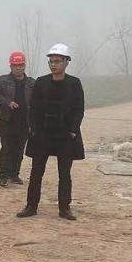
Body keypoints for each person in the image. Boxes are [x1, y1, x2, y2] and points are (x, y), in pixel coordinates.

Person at [17, 44, 84, 221]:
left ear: (66, 62)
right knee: (36, 172)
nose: (53, 65)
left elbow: (79, 109)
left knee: (64, 173)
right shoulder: (41, 82)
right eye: (51, 61)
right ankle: (31, 206)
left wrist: (73, 130)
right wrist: (33, 129)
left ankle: (64, 208)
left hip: (65, 136)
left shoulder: (74, 83)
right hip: (43, 135)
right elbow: (33, 108)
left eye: (57, 61)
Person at [0, 51, 35, 186]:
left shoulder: (31, 82)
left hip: (24, 122)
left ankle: (15, 174)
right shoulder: (3, 80)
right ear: (10, 66)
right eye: (15, 65)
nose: (18, 68)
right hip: (7, 121)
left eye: (20, 65)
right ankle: (4, 175)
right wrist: (7, 102)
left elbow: (37, 100)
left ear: (24, 65)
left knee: (19, 149)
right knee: (7, 148)